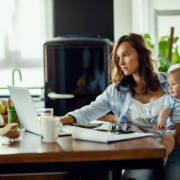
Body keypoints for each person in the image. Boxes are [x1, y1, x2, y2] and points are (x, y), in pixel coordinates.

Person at [59, 33, 179, 180]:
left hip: (176, 152)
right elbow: (88, 111)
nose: (121, 62)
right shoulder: (116, 91)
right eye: (118, 57)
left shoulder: (171, 82)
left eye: (126, 55)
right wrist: (61, 120)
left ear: (141, 54)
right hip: (142, 152)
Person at [153, 64, 180, 166]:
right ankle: (161, 158)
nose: (170, 88)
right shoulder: (171, 99)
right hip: (171, 130)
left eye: (173, 84)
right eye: (169, 85)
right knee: (166, 143)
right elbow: (165, 111)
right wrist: (161, 122)